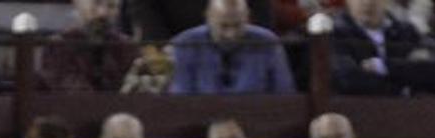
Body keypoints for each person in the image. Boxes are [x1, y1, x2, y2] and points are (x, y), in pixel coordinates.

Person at [169, 0, 296, 93]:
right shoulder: (184, 45)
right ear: (208, 18)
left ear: (247, 18)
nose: (231, 34)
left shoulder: (268, 43)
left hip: (257, 123)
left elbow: (285, 95)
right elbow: (180, 101)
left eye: (238, 25)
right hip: (199, 126)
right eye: (224, 26)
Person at [332, 0, 435, 94]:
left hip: (408, 110)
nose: (367, 2)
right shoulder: (337, 32)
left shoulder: (406, 31)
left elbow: (431, 71)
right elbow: (347, 80)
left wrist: (383, 66)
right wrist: (402, 88)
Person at [36, 0, 141, 92]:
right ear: (77, 3)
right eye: (97, 3)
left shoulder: (127, 47)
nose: (102, 13)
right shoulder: (58, 47)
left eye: (111, 6)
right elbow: (73, 94)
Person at [132, 0, 273, 42]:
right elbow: (145, 9)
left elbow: (262, 12)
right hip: (177, 49)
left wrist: (256, 44)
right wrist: (162, 49)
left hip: (241, 46)